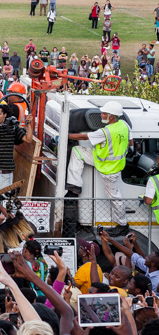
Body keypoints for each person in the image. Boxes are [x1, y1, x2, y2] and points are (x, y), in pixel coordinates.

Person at [67, 100, 130, 236]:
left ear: (112, 116)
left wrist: (63, 136)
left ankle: (123, 225)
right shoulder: (124, 125)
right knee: (77, 151)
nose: (101, 115)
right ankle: (74, 185)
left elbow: (83, 136)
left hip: (108, 168)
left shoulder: (105, 131)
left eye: (104, 113)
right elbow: (130, 142)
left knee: (114, 197)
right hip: (114, 164)